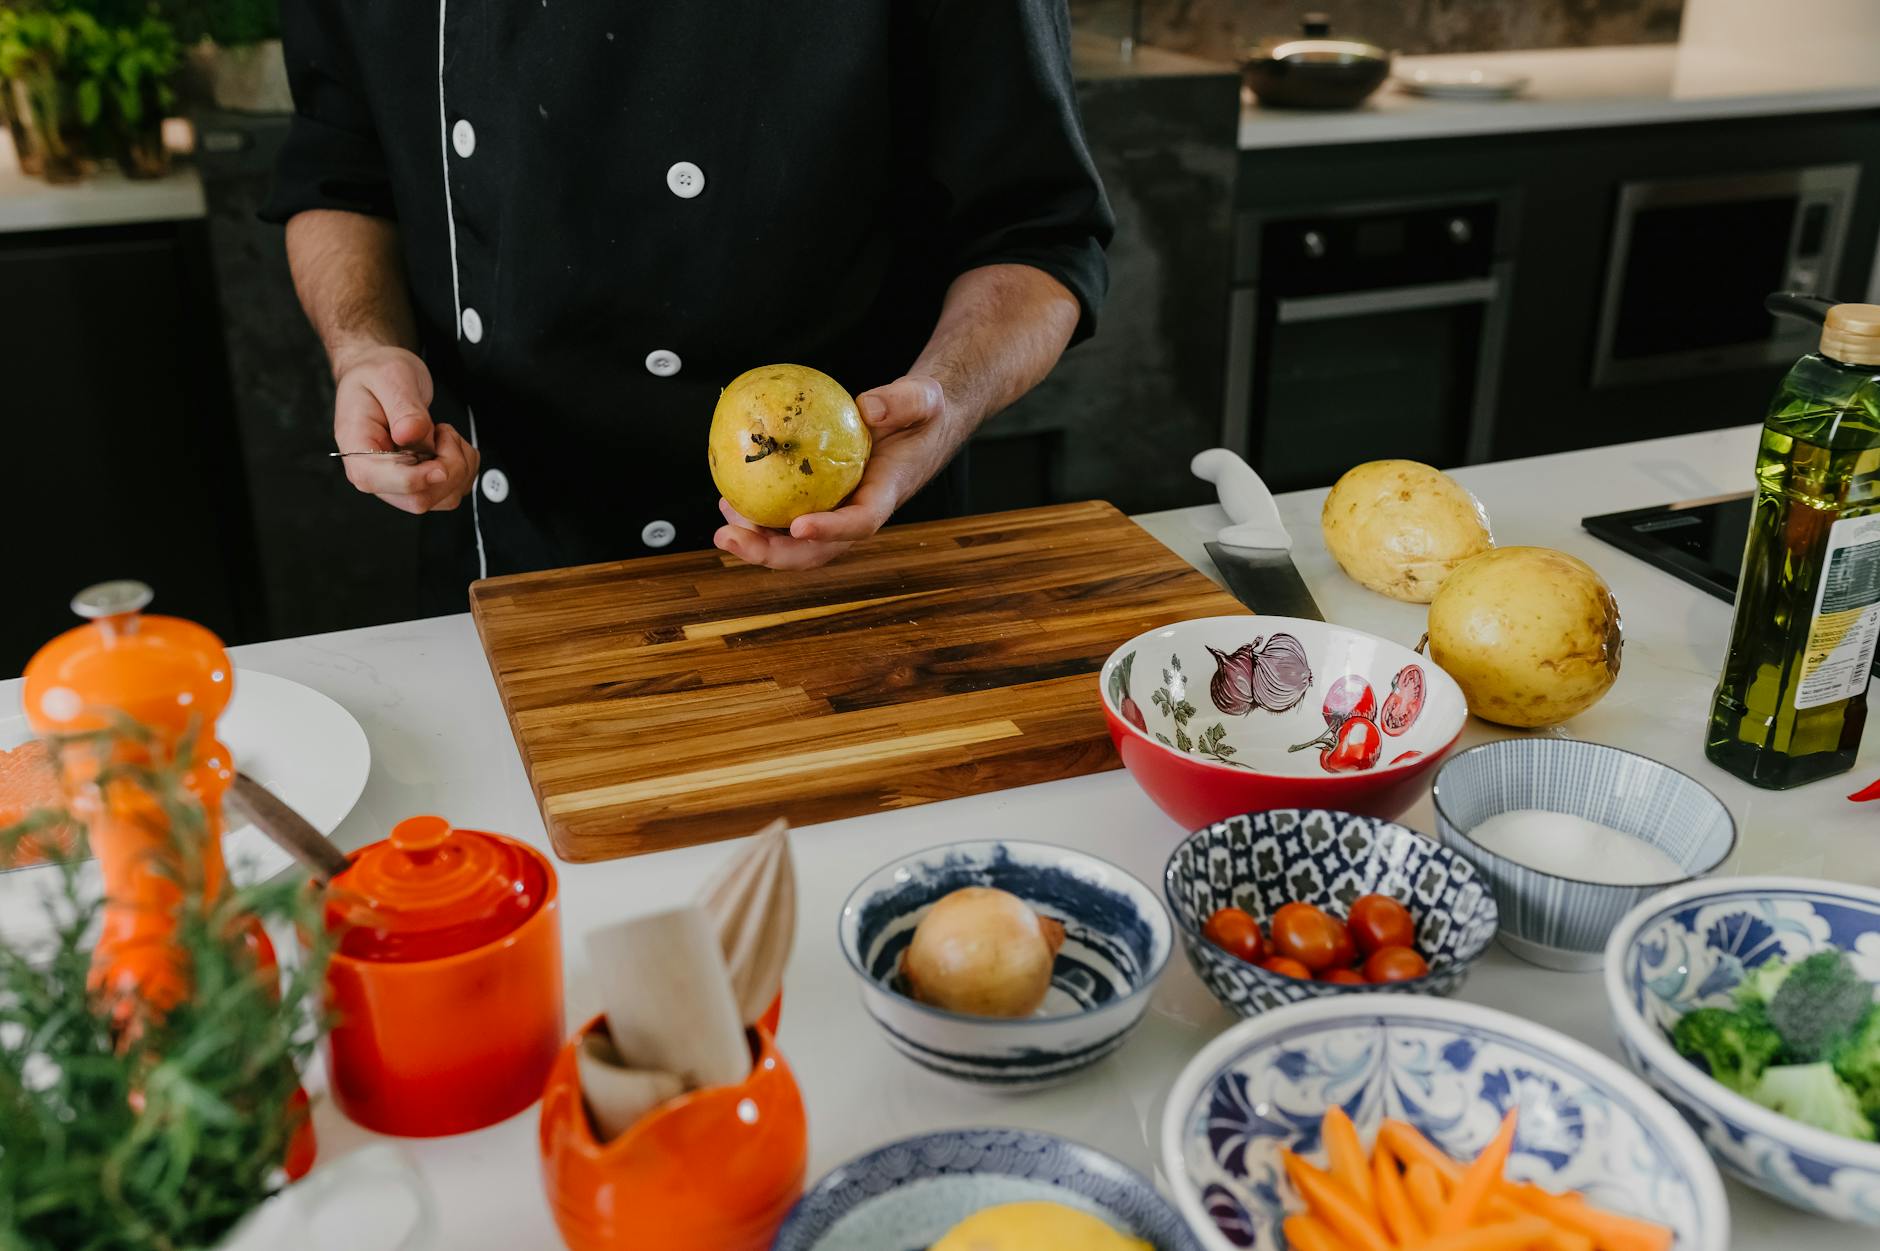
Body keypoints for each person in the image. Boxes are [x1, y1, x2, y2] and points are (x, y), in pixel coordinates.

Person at [265, 1, 1113, 606]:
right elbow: (341, 163)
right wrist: (364, 347)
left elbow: (1039, 233)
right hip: (505, 559)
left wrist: (945, 396)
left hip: (849, 567)